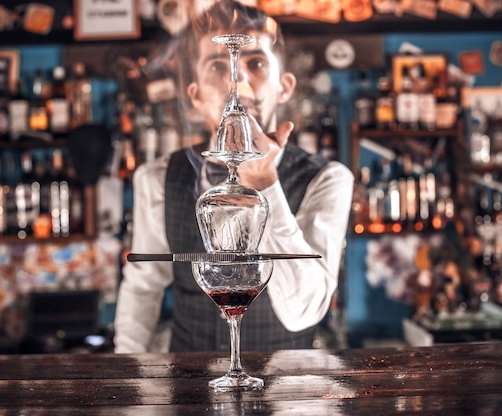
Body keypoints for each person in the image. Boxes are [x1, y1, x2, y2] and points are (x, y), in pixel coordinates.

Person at [114, 0, 354, 353]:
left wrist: (266, 183)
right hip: (188, 387)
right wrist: (128, 380)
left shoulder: (328, 178)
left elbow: (303, 312)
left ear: (284, 87)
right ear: (195, 97)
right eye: (217, 65)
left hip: (287, 393)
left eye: (256, 63)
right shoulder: (158, 178)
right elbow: (143, 287)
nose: (236, 79)